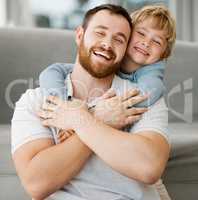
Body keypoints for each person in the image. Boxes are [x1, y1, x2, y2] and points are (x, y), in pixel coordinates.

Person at [12, 4, 170, 200]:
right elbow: (37, 184)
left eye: (119, 40)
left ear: (126, 49)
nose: (107, 44)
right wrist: (98, 118)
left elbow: (149, 167)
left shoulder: (138, 97)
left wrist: (80, 121)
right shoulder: (36, 100)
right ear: (79, 35)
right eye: (100, 33)